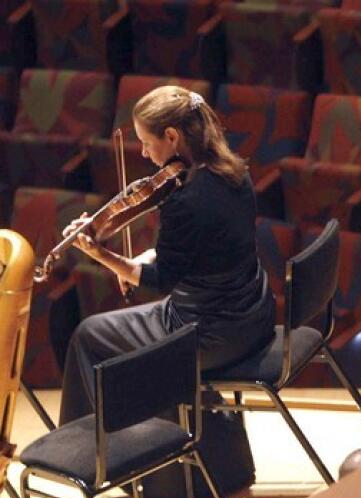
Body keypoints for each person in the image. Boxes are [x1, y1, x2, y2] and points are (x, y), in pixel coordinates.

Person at [58, 86, 276, 425]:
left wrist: (100, 254)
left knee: (88, 335)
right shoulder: (234, 172)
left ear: (172, 136)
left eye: (146, 142)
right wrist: (142, 256)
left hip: (210, 335)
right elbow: (209, 252)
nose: (144, 154)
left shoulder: (185, 202)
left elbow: (161, 280)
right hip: (252, 315)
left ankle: (89, 448)